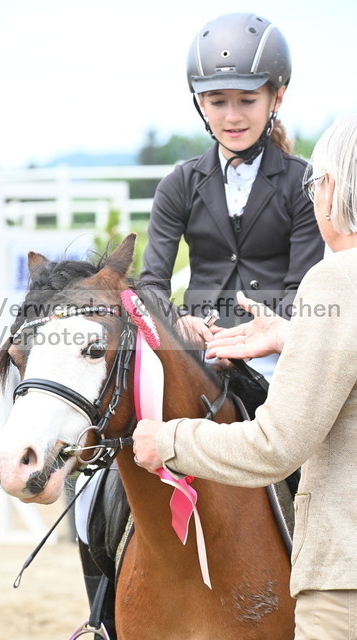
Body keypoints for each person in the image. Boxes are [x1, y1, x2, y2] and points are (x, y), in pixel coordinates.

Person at [133, 112, 357, 639]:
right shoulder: (180, 182)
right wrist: (290, 334)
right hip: (211, 348)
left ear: (329, 189)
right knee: (101, 507)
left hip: (344, 573)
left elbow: (277, 446)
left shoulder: (333, 276)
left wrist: (168, 441)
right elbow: (152, 282)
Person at [140, 11, 324, 382]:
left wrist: (260, 337)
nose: (232, 117)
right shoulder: (178, 184)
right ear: (201, 103)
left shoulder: (302, 183)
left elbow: (301, 286)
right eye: (218, 101)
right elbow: (150, 285)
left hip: (275, 353)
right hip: (201, 353)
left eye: (247, 100)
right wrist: (179, 322)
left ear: (277, 97)